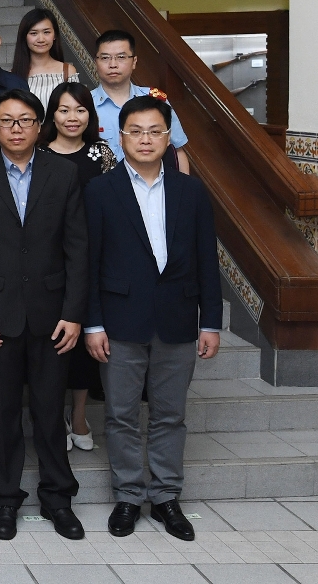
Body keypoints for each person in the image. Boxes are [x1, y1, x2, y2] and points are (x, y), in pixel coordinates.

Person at [84, 95, 221, 542]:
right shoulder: (100, 191)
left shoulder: (191, 191)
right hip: (120, 321)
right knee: (121, 415)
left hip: (178, 319)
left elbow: (206, 261)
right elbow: (89, 261)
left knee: (169, 415)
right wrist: (93, 323)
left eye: (154, 131)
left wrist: (211, 322)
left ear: (168, 137)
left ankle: (165, 497)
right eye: (135, 131)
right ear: (119, 136)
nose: (145, 139)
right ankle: (127, 495)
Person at [0, 88, 87, 542]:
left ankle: (58, 498)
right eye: (5, 121)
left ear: (40, 126)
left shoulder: (64, 173)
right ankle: (5, 499)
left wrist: (74, 313)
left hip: (52, 315)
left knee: (50, 413)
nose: (15, 128)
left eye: (24, 120)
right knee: (1, 413)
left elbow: (77, 248)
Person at [38, 81, 117, 452]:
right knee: (53, 341)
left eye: (80, 110)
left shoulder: (101, 153)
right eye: (64, 110)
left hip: (93, 254)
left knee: (87, 335)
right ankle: (52, 417)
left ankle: (80, 414)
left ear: (91, 115)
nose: (72, 117)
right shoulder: (38, 151)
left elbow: (115, 203)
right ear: (52, 114)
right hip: (46, 260)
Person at [92, 29, 190, 173]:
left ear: (134, 62)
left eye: (121, 57)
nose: (113, 64)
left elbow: (178, 151)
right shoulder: (83, 105)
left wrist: (183, 191)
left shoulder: (155, 100)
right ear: (96, 62)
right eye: (105, 58)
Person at [11, 8, 79, 111]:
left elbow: (76, 109)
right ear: (24, 37)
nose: (41, 39)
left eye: (46, 32)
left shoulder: (67, 72)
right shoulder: (13, 76)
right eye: (34, 33)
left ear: (54, 35)